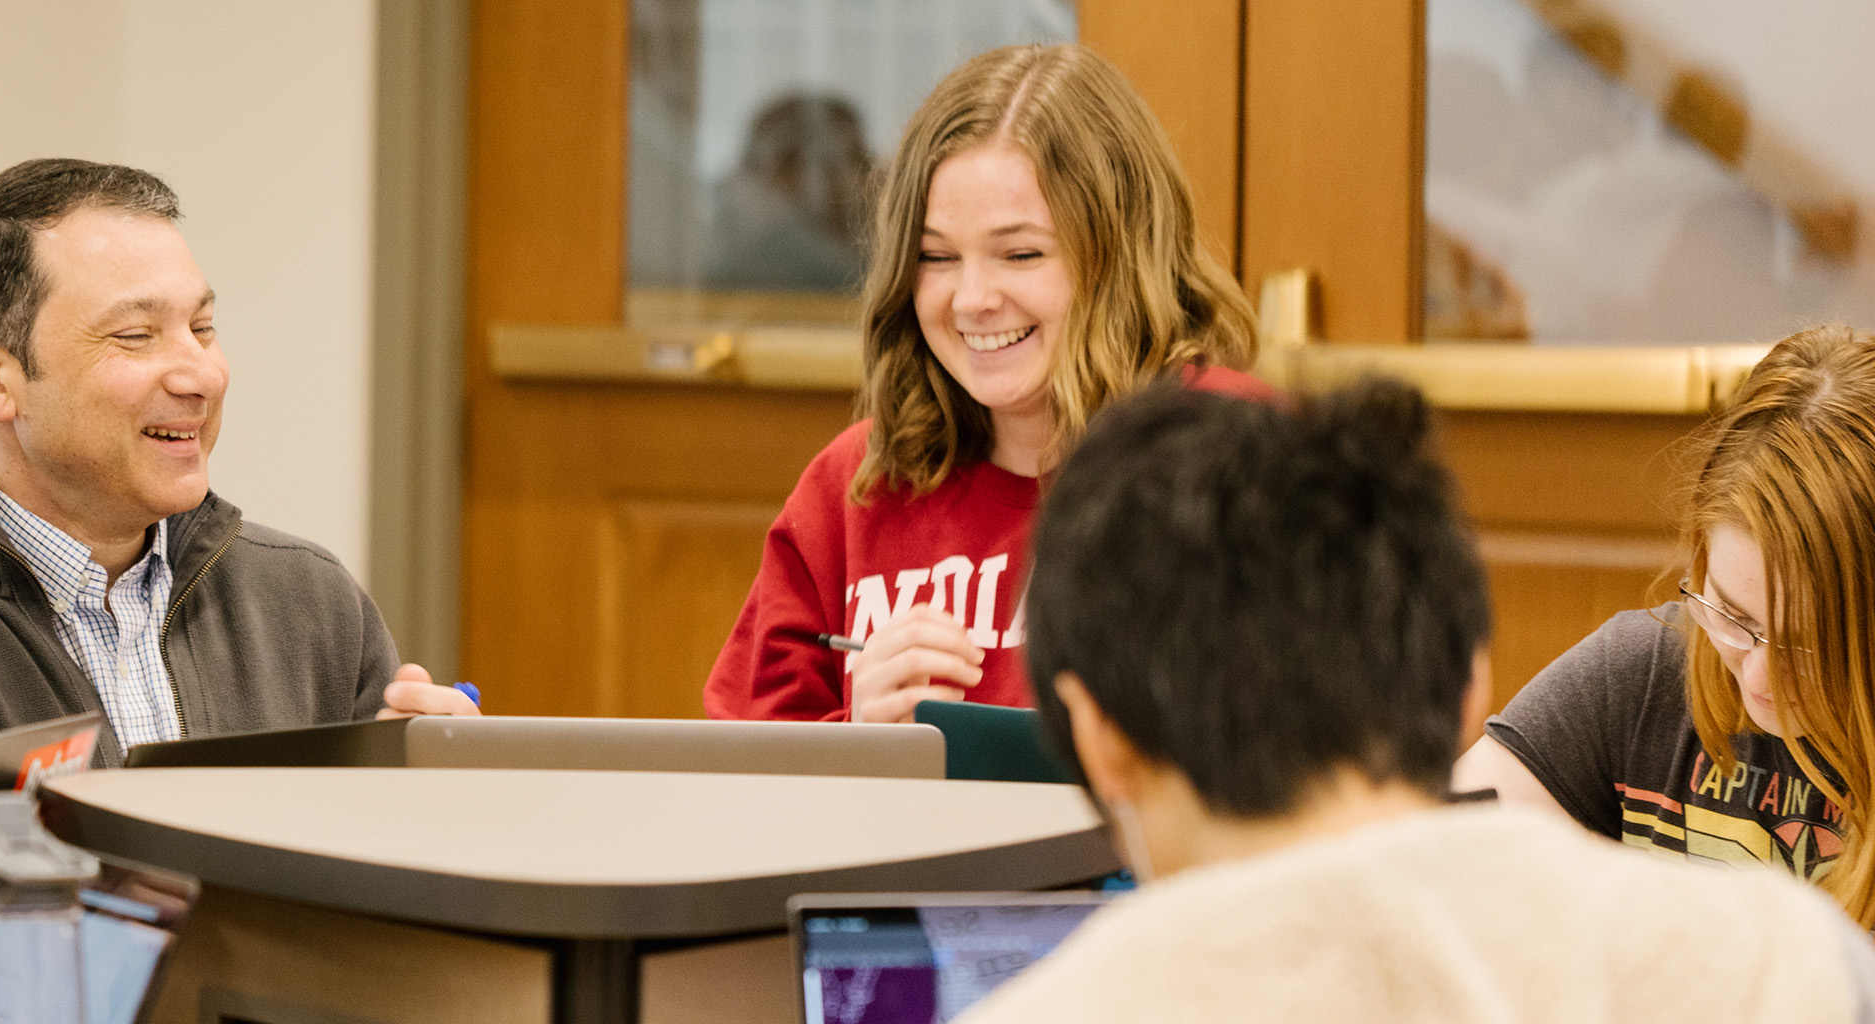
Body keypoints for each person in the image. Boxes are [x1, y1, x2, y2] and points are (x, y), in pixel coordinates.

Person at [950, 378, 1872, 1022]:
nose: (1760, 678)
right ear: (1473, 683)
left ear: (1099, 741)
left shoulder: (1050, 1008)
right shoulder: (1787, 963)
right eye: (1735, 620)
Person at [704, 43, 1268, 724]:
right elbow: (746, 778)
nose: (972, 299)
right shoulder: (854, 485)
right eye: (936, 257)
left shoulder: (1247, 458)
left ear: (1122, 254)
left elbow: (1363, 749)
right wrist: (856, 739)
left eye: (1020, 254)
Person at [0, 158, 475, 762]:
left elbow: (366, 849)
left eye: (203, 327)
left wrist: (423, 806)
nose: (202, 374)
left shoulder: (311, 603)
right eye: (136, 335)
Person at [1458, 324, 1875, 927]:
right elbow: (1435, 859)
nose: (1760, 676)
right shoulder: (1646, 672)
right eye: (1733, 616)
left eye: (1813, 648)